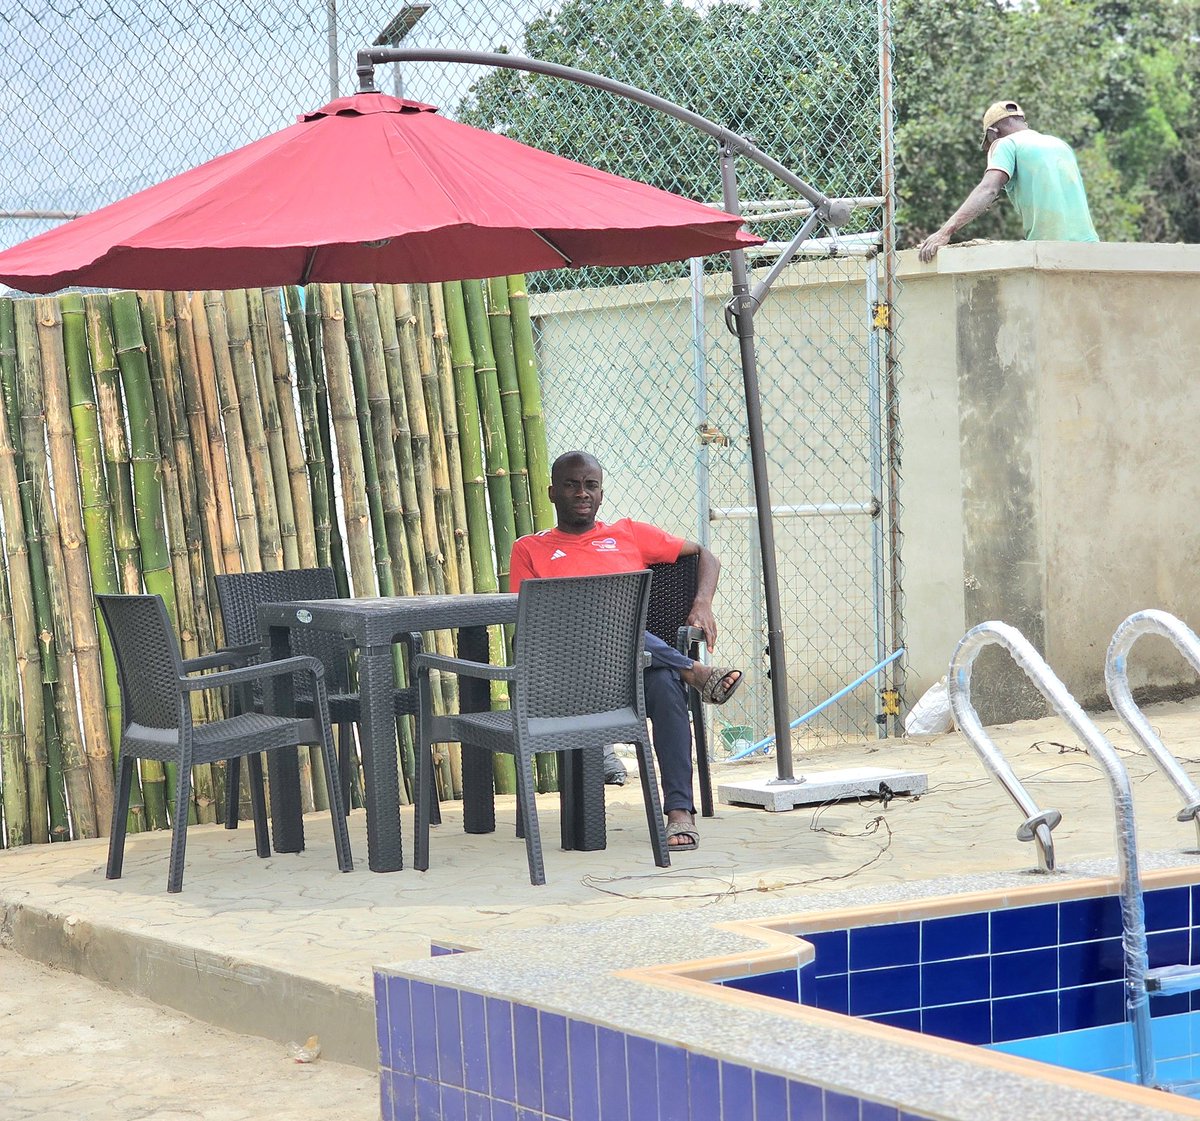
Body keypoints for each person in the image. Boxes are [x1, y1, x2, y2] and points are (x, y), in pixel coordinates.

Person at [508, 451, 743, 851]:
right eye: (571, 485)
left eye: (591, 485)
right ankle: (693, 670)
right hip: (569, 674)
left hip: (634, 671)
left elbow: (705, 555)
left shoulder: (629, 533)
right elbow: (530, 619)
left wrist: (702, 602)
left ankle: (679, 813)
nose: (582, 493)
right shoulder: (530, 548)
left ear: (601, 494)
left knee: (666, 687)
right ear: (551, 492)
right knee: (590, 608)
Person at [918, 100, 1098, 262]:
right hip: (1090, 247)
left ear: (992, 133)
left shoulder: (1005, 144)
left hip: (1050, 250)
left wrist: (944, 232)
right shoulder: (1059, 144)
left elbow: (988, 189)